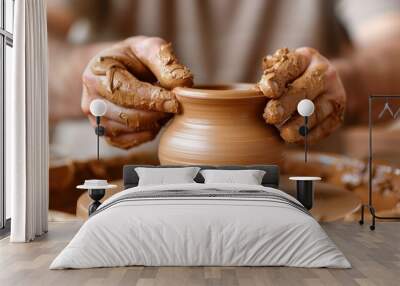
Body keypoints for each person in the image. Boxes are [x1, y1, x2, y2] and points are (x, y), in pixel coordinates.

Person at [47, 0, 400, 149]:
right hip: (121, 184)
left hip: (297, 188)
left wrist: (346, 82)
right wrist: (93, 75)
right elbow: (30, 45)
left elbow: (393, 42)